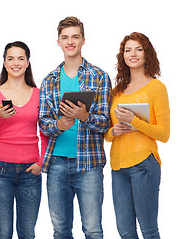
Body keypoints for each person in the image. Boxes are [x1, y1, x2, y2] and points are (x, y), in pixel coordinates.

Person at [39, 16, 112, 239]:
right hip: (56, 164)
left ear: (83, 40)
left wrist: (85, 116)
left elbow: (105, 123)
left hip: (89, 163)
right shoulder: (49, 80)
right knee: (60, 231)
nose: (70, 41)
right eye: (65, 37)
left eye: (75, 37)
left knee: (92, 229)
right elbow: (43, 123)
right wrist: (58, 125)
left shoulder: (99, 77)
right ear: (58, 42)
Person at [105, 32, 170, 239]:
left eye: (138, 49)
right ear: (122, 55)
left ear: (147, 53)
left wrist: (135, 121)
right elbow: (106, 134)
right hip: (118, 168)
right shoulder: (116, 92)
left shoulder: (156, 88)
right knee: (125, 232)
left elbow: (164, 134)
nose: (132, 54)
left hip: (144, 165)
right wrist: (113, 132)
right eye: (127, 50)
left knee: (148, 230)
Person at [0, 41, 44, 239]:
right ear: (4, 62)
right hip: (0, 169)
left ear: (27, 63)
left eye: (20, 58)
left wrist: (41, 163)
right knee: (3, 233)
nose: (15, 63)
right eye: (11, 58)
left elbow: (45, 133)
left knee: (27, 233)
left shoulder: (39, 95)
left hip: (30, 171)